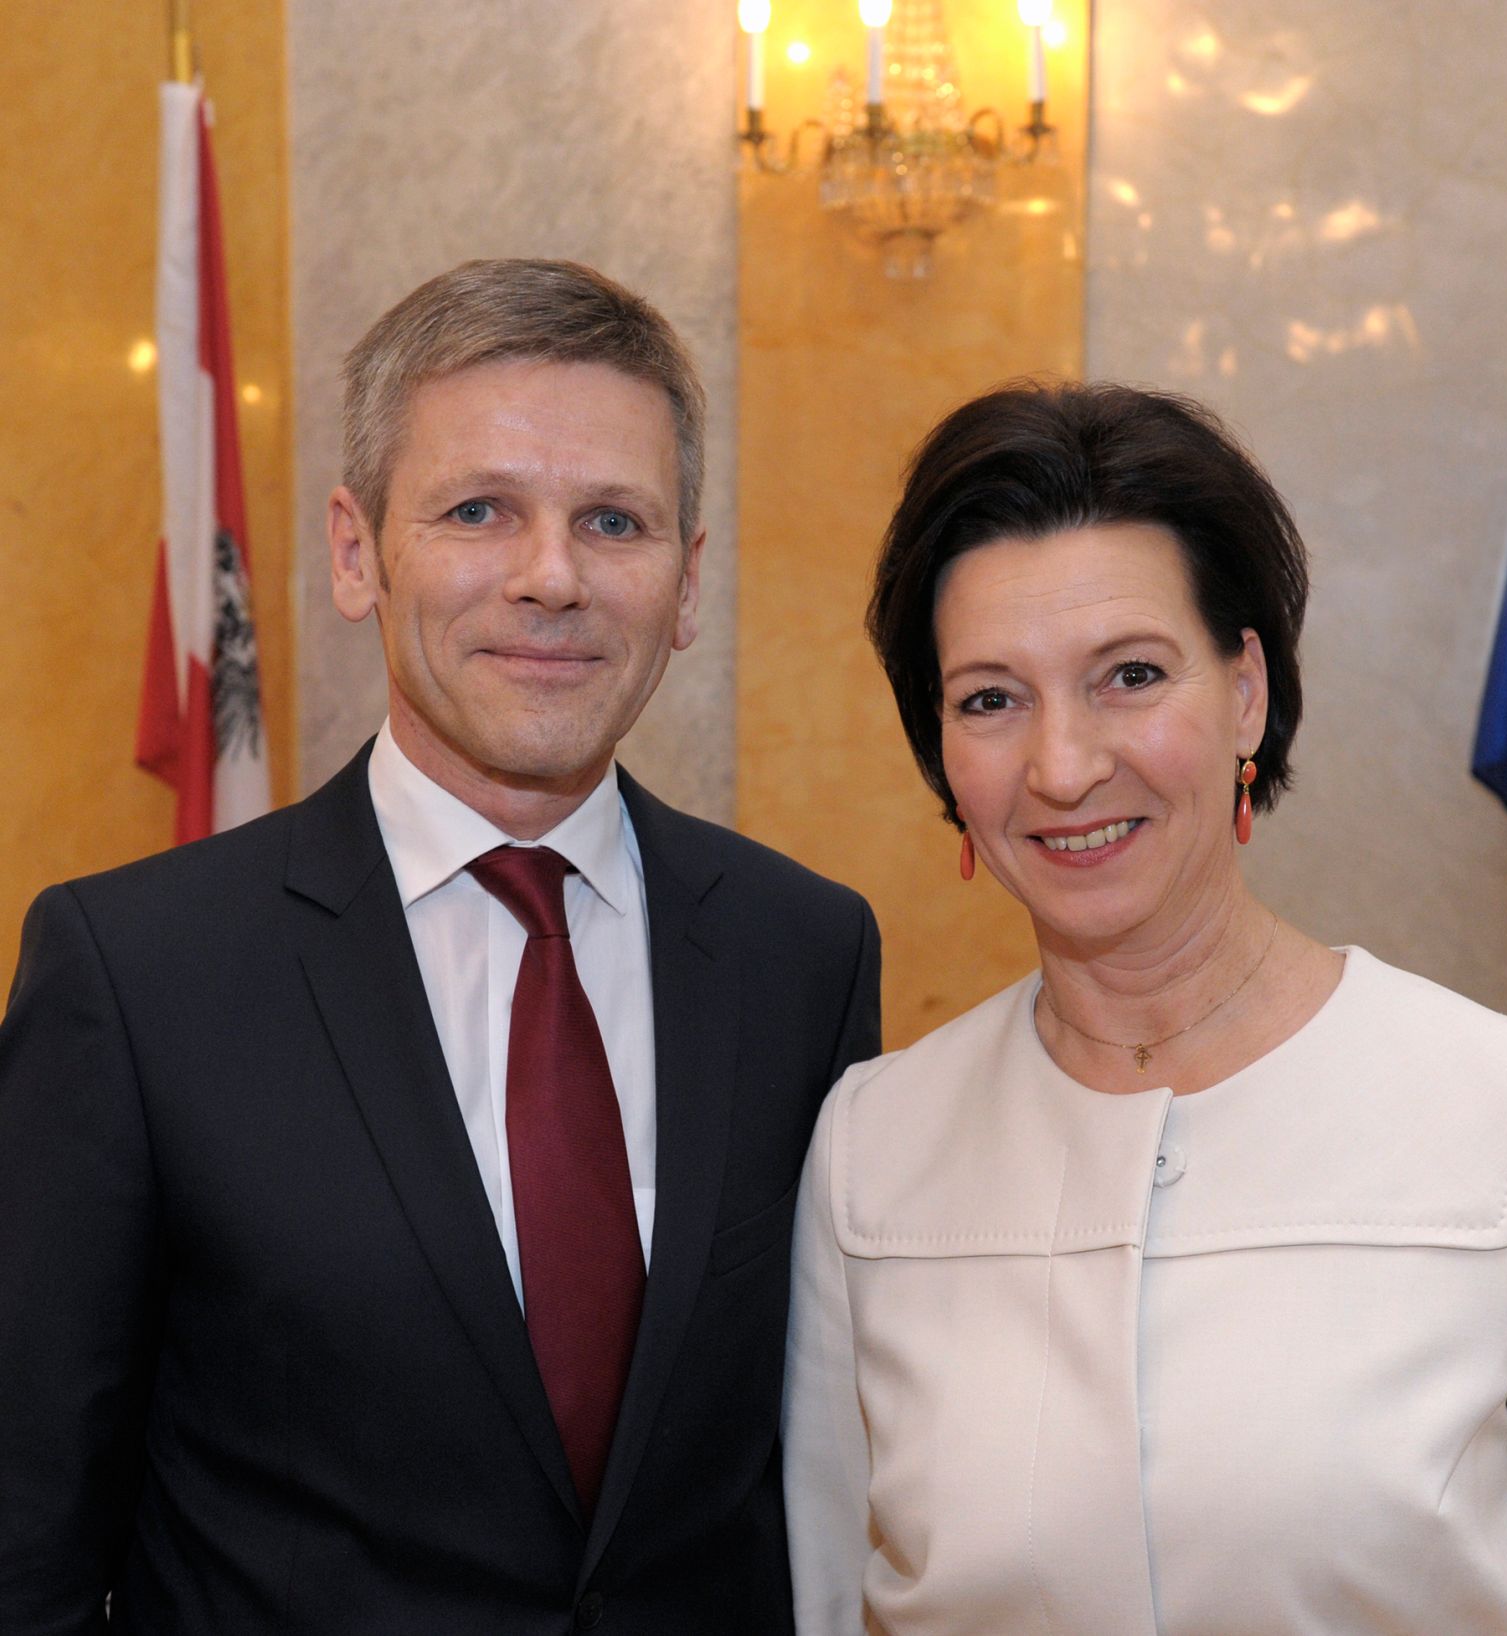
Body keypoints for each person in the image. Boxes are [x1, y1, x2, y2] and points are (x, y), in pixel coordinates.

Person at [0, 258, 880, 1634]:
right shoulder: (134, 975)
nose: (552, 577)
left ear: (688, 581)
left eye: (615, 521)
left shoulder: (803, 955)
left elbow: (812, 1460)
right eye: (480, 510)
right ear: (359, 553)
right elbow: (27, 1535)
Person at [782, 381, 1507, 1634]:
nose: (1062, 765)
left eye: (1128, 674)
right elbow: (806, 1593)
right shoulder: (872, 1148)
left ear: (1245, 691)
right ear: (940, 755)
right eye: (988, 698)